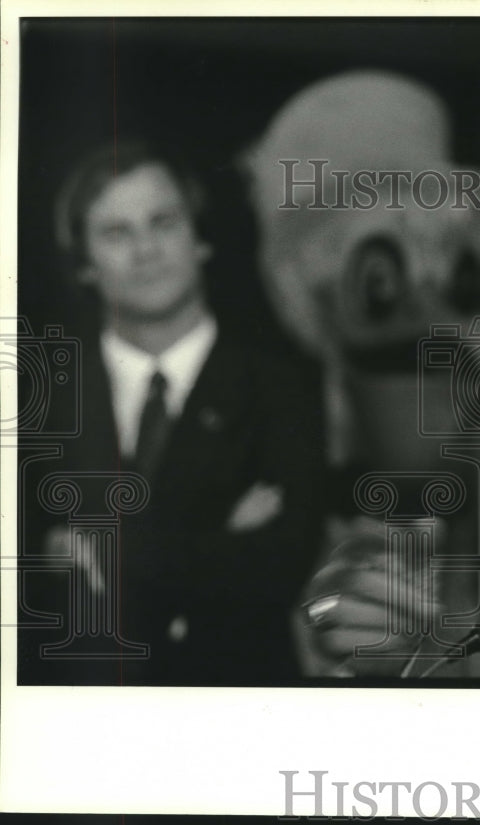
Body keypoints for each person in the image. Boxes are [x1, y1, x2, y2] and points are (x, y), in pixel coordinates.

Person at [18, 140, 326, 685]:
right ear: (84, 264)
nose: (146, 250)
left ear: (200, 238)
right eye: (117, 232)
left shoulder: (280, 385)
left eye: (163, 222)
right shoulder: (38, 400)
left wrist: (102, 547)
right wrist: (215, 535)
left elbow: (278, 568)